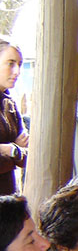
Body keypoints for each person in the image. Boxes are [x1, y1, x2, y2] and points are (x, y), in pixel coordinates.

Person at [0, 41, 28, 195]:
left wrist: (11, 150)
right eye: (10, 64)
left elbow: (27, 155)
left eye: (20, 64)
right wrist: (14, 150)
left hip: (8, 198)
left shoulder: (9, 104)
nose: (17, 71)